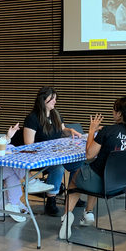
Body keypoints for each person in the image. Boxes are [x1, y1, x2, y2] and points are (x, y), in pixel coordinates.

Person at [59, 97, 126, 239]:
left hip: (101, 184)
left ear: (120, 114)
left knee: (76, 176)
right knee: (93, 170)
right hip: (120, 184)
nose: (112, 112)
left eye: (114, 110)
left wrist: (92, 131)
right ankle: (88, 213)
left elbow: (89, 154)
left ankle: (67, 216)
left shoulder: (108, 131)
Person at [23, 86, 83, 216]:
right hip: (40, 157)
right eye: (52, 99)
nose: (55, 101)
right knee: (58, 168)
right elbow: (28, 144)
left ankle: (72, 195)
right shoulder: (32, 118)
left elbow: (62, 130)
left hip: (57, 154)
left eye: (55, 99)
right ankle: (51, 201)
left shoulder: (56, 114)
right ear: (43, 100)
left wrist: (70, 131)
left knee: (79, 164)